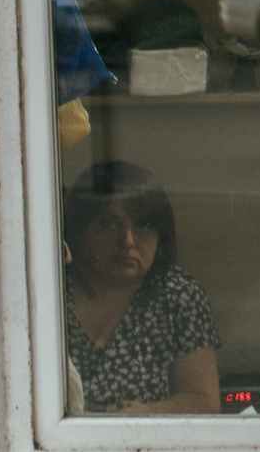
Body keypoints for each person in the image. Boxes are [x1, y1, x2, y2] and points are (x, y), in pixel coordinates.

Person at [60, 161, 220, 414]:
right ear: (80, 230)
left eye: (143, 226)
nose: (128, 241)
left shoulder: (178, 295)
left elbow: (203, 402)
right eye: (109, 224)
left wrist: (146, 413)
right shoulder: (51, 290)